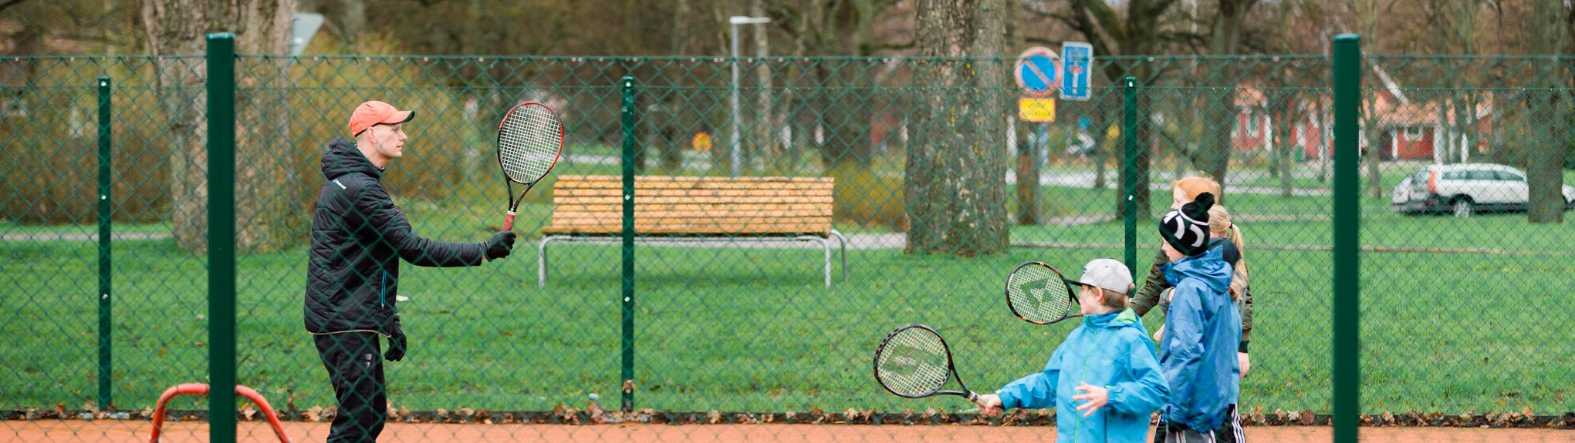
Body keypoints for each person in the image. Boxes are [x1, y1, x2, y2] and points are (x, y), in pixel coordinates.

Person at [303, 100, 517, 443]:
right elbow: (413, 248)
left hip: (347, 316)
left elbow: (369, 262)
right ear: (372, 134)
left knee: (370, 415)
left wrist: (388, 320)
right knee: (356, 424)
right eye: (395, 130)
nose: (403, 136)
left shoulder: (354, 182)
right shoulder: (360, 189)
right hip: (343, 320)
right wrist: (482, 251)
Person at [973, 259, 1170, 443]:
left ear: (1098, 294)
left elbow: (1157, 391)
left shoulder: (1132, 339)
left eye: (1084, 289)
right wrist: (1005, 397)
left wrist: (1110, 396)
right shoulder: (1078, 337)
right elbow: (1050, 383)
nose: (1080, 295)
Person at [1132, 176, 1253, 378]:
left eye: (1178, 201)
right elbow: (1154, 286)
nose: (1173, 206)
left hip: (1214, 343)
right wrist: (1123, 314)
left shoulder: (1225, 253)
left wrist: (1242, 348)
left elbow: (1241, 299)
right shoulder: (1174, 241)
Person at [1152, 193, 1241, 443]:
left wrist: (1176, 410)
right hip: (1214, 397)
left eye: (1166, 242)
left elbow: (1185, 352)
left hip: (1193, 407)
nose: (1163, 248)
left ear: (1182, 246)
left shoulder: (1190, 289)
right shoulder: (1217, 281)